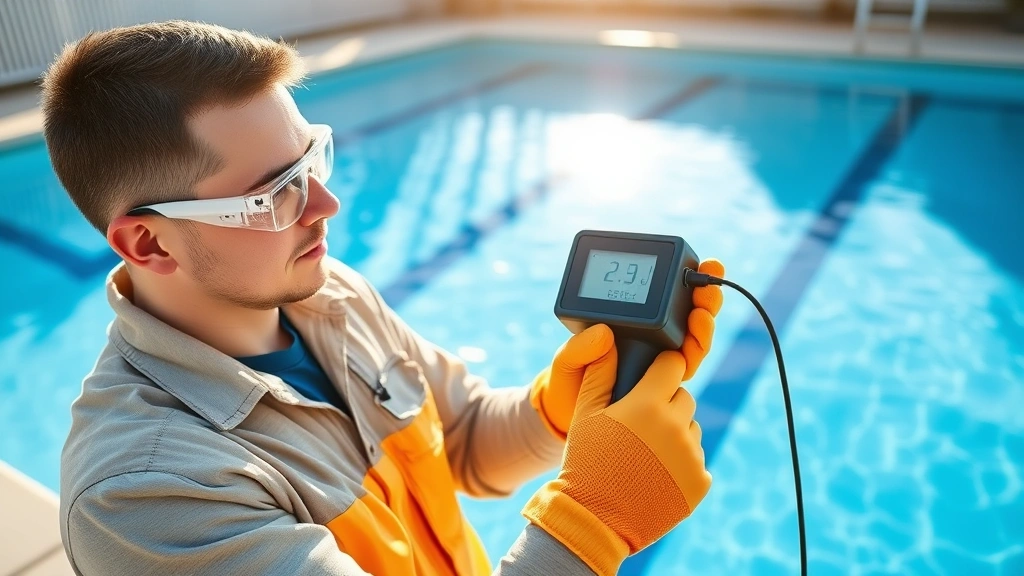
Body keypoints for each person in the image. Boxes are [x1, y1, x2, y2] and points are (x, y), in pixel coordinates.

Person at [43, 20, 725, 576]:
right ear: (149, 245)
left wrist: (561, 407)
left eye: (311, 160)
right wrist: (592, 522)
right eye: (276, 193)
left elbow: (464, 445)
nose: (326, 204)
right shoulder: (146, 496)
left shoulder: (330, 296)